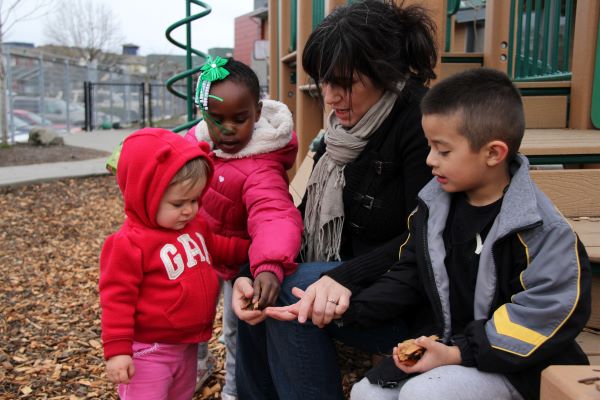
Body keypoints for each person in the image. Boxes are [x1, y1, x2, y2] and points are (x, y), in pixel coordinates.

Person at [280, 68, 592, 400]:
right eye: (430, 147)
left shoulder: (542, 232)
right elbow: (410, 273)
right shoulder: (436, 209)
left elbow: (542, 314)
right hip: (445, 346)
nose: (430, 160)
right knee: (366, 394)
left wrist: (458, 352)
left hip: (518, 367)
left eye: (443, 151)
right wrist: (348, 307)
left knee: (423, 394)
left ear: (493, 153)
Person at [233, 1, 437, 398]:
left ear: (384, 73)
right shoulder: (341, 134)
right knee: (264, 287)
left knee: (292, 292)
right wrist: (252, 269)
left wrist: (338, 277)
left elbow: (426, 235)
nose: (329, 97)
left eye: (344, 83)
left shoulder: (422, 123)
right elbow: (302, 214)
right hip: (354, 276)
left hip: (405, 297)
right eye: (323, 81)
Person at [99, 128, 250, 400]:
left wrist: (254, 250)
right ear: (144, 195)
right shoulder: (128, 243)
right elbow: (117, 299)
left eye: (194, 200)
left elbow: (218, 247)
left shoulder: (194, 227)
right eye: (178, 203)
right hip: (148, 353)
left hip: (187, 346)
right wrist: (118, 350)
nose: (189, 210)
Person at [185, 57, 303, 400]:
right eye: (217, 120)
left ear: (257, 112)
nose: (228, 130)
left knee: (236, 331)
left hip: (241, 264)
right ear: (204, 116)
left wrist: (268, 264)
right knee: (189, 313)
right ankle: (199, 362)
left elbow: (274, 215)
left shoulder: (261, 166)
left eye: (239, 119)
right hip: (203, 252)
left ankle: (235, 392)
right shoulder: (199, 145)